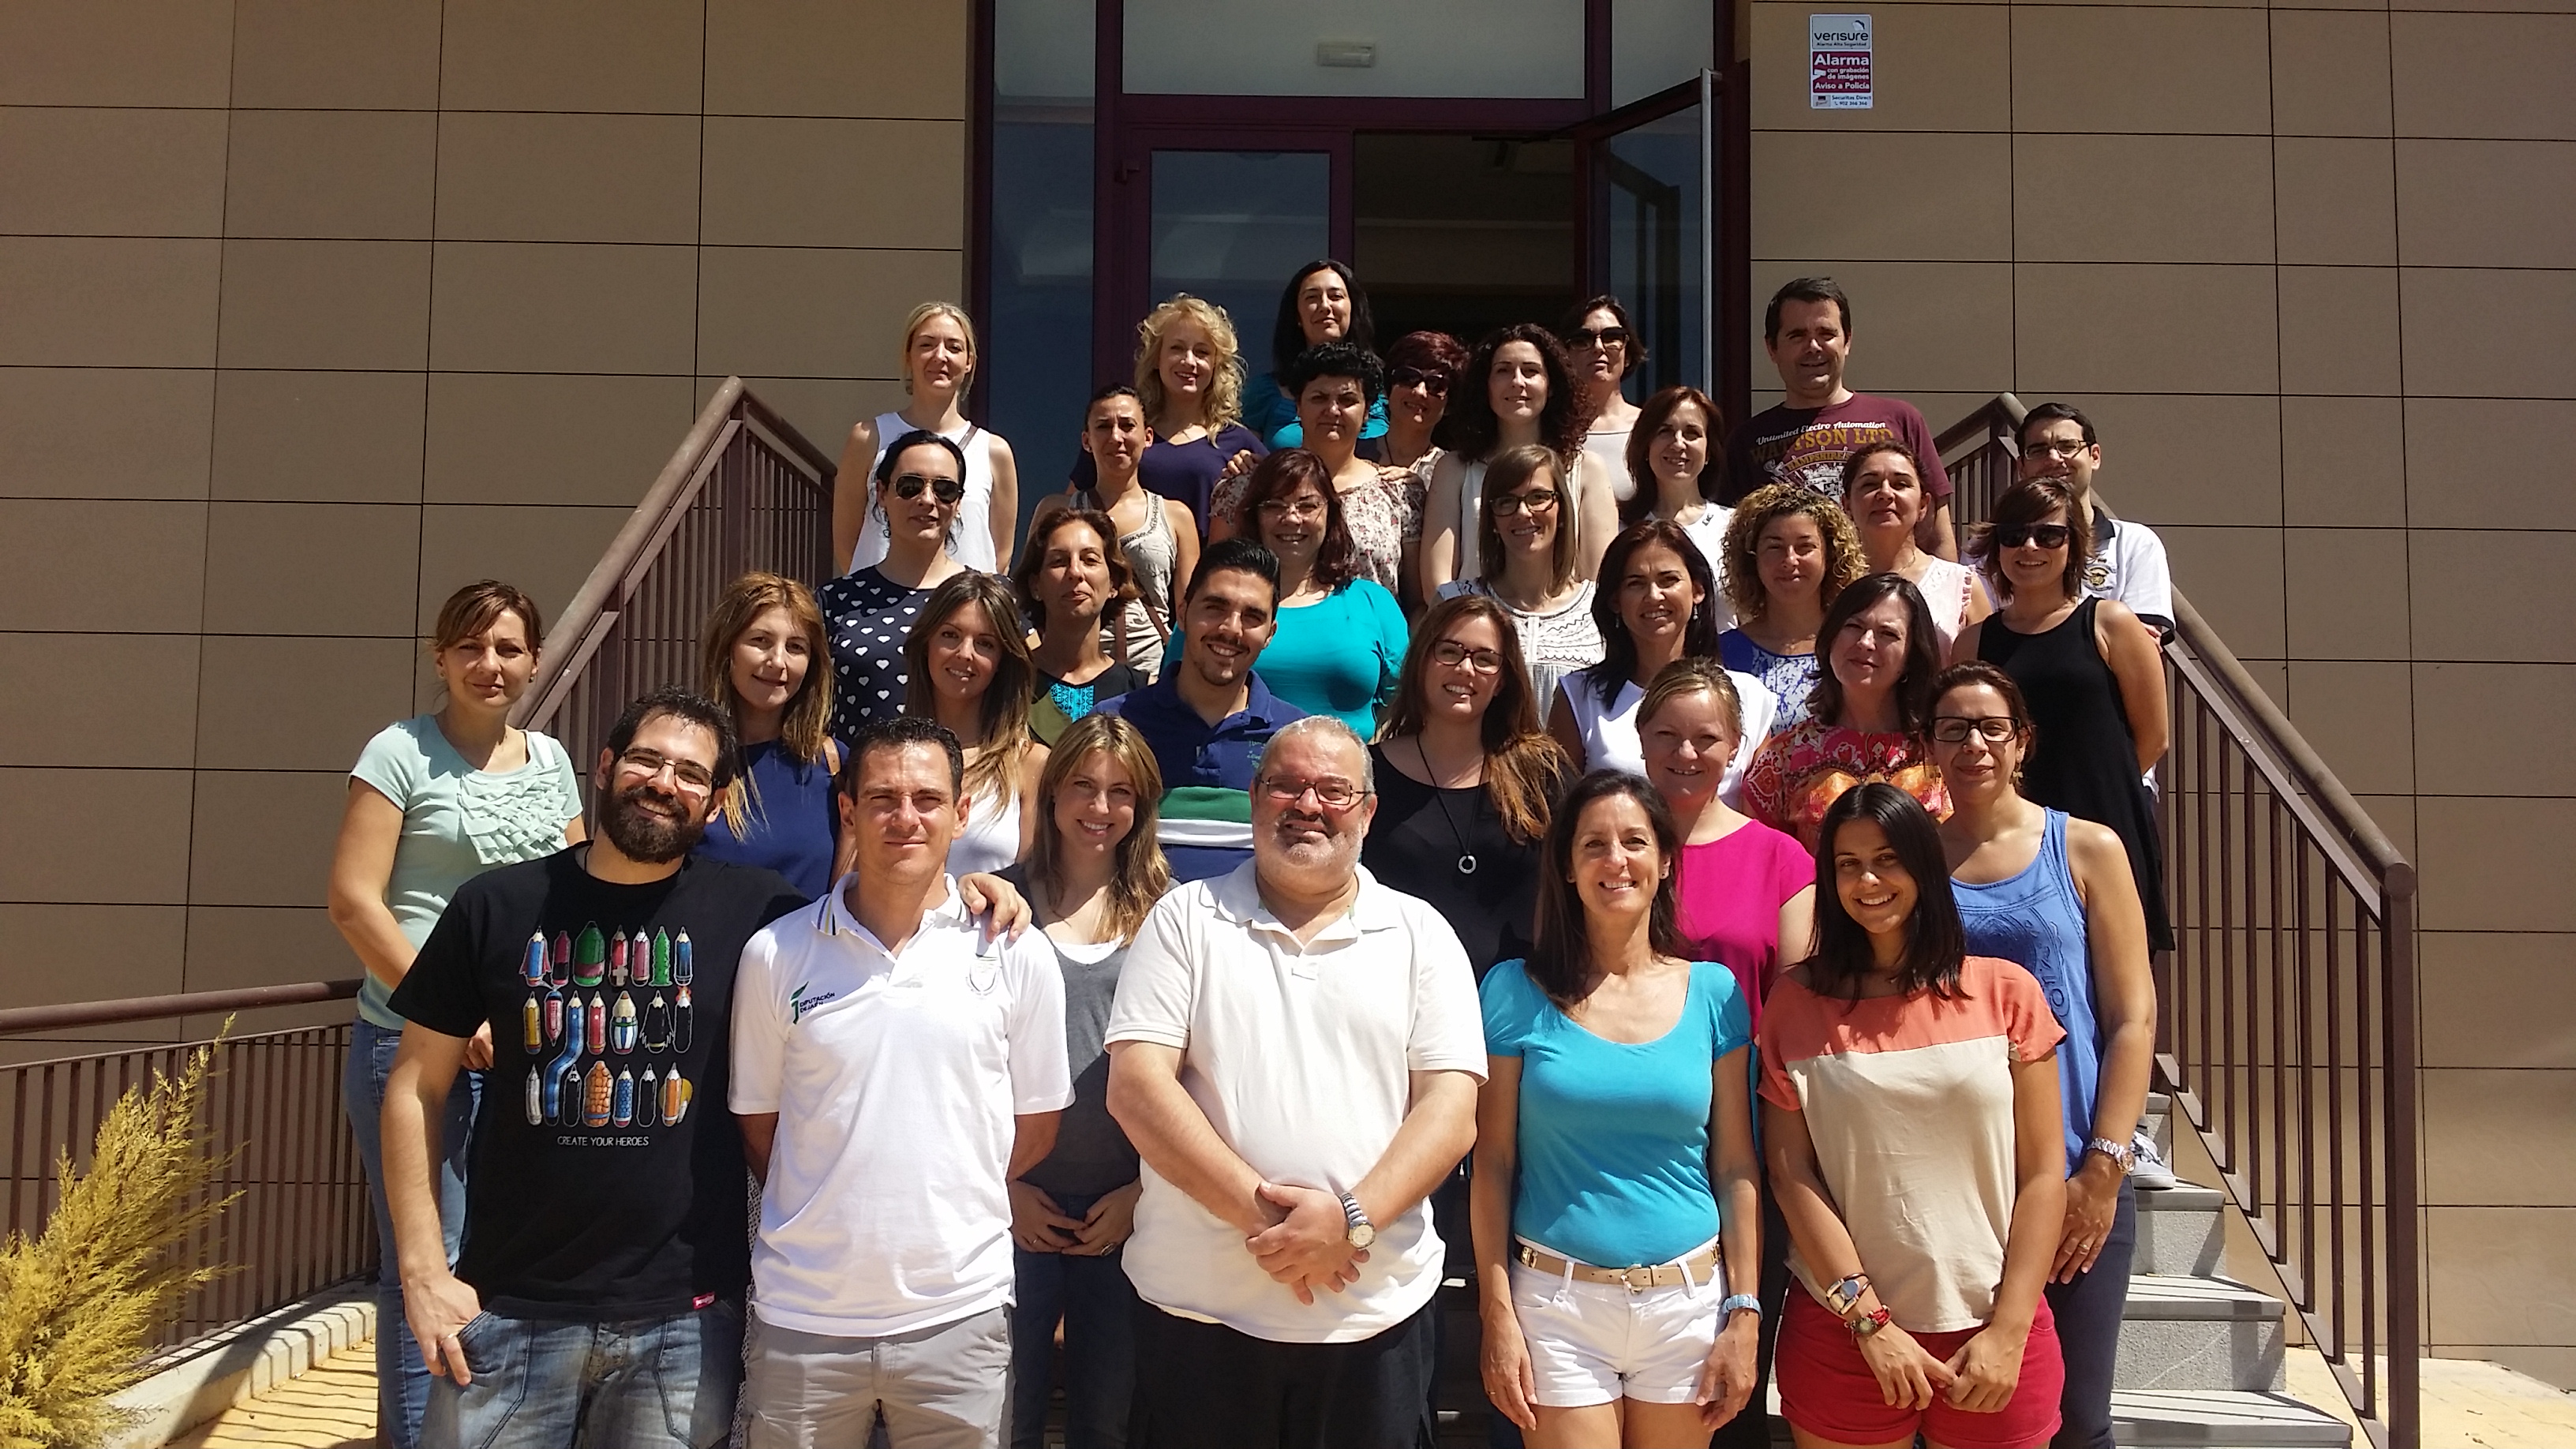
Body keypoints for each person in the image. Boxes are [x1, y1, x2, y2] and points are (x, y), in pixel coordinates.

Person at [381, 688, 808, 1449]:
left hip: (682, 1322)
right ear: (605, 768)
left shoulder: (761, 915)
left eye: (690, 773)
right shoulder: (496, 906)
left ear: (714, 803)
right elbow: (416, 1084)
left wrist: (978, 891)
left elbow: (878, 927)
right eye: (646, 760)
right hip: (507, 1310)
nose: (664, 783)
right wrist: (422, 1272)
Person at [1104, 716, 1486, 1448]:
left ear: (1368, 811)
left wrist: (1349, 1221)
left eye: (1334, 791)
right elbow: (1138, 1090)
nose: (1308, 805)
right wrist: (1272, 1221)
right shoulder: (1183, 919)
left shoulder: (1421, 934)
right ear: (1255, 799)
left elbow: (1451, 1111)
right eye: (1286, 786)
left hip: (1373, 1320)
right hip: (1198, 1318)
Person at [732, 715, 1072, 1449]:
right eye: (883, 798)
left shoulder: (1017, 952)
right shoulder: (775, 955)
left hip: (962, 1312)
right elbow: (761, 1127)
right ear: (848, 810)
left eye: (927, 799)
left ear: (962, 812)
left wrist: (949, 1190)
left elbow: (1036, 1127)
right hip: (805, 1317)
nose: (905, 818)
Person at [325, 579, 585, 1449]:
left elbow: (577, 895)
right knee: (425, 1263)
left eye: (508, 648)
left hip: (524, 1054)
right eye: (471, 647)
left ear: (535, 662)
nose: (489, 664)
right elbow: (355, 902)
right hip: (413, 1048)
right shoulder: (399, 752)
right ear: (440, 658)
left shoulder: (551, 761)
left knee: (504, 1255)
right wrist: (451, 1013)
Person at [1758, 784, 2070, 1449]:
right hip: (1845, 1331)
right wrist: (1870, 1324)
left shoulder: (2007, 992)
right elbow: (1790, 1174)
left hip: (1995, 1330)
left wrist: (2010, 1330)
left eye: (1888, 859)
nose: (1868, 881)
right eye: (1847, 864)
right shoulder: (1796, 1002)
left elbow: (2045, 1174)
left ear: (1924, 865)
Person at [1473, 771, 1762, 1447]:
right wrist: (1497, 1311)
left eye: (1634, 841)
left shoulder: (1715, 993)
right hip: (1557, 1305)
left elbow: (1736, 1165)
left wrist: (1744, 1312)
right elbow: (1492, 1163)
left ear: (1666, 862)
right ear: (1567, 868)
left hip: (1688, 1305)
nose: (1616, 860)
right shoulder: (1514, 991)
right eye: (1593, 845)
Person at [1929, 662, 2160, 1449]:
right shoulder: (1912, 861)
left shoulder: (2087, 848)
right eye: (1954, 728)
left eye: (1992, 727)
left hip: (2070, 1175)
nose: (1974, 744)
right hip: (1954, 1187)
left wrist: (2104, 1168)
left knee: (2075, 1421)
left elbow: (2132, 1018)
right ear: (1930, 746)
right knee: (1963, 1417)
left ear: (2022, 741)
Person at [1000, 714, 1168, 1449]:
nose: (1100, 808)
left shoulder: (1171, 913)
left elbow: (1196, 1074)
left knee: (1109, 1421)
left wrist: (1144, 1194)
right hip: (1015, 1206)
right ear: (1052, 793)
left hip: (1124, 1211)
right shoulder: (998, 904)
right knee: (1008, 1416)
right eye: (1083, 786)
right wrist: (1003, 1189)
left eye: (1120, 792)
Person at [1957, 478, 2174, 953]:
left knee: (2117, 977)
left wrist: (2096, 782)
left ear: (2073, 544)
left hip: (2106, 823)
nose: (2030, 547)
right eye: (2014, 535)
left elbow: (2154, 736)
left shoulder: (2111, 623)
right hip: (2013, 838)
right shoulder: (1973, 643)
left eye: (2048, 535)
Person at [1365, 593, 1574, 979]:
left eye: (1485, 659)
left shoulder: (1541, 772)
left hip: (1523, 998)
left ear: (1502, 680)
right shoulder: (1367, 773)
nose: (1465, 669)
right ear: (1421, 662)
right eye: (1449, 652)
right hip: (1400, 992)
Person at [1101, 537, 1309, 882]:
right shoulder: (1114, 726)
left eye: (1252, 617)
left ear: (1270, 634)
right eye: (1215, 607)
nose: (1231, 629)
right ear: (1182, 613)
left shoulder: (1298, 741)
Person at [1720, 277, 1954, 561]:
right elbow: (1736, 549)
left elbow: (1937, 536)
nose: (1813, 346)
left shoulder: (1901, 419)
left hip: (1886, 588)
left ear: (1847, 341)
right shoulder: (1747, 441)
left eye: (1826, 333)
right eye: (1797, 335)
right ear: (1772, 348)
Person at [1637, 660, 1815, 1024]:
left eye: (1706, 739)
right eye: (1667, 734)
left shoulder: (1782, 860)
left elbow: (1796, 1006)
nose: (1686, 753)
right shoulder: (1605, 849)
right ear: (1642, 737)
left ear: (1735, 746)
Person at [1550, 521, 1775, 806]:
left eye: (1668, 580)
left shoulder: (1749, 697)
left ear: (1697, 590)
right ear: (1615, 600)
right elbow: (1559, 812)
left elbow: (1765, 814)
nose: (1654, 596)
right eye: (1636, 583)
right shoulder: (1578, 696)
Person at [1199, 448, 1406, 737]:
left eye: (1307, 506)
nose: (1292, 519)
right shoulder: (1215, 601)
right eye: (1275, 506)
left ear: (1330, 514)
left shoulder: (1374, 602)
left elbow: (1402, 703)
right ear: (1255, 516)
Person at [1740, 574, 1950, 849]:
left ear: (1912, 655)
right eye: (1854, 626)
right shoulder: (1785, 757)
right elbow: (1761, 858)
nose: (1865, 642)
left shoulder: (1942, 751)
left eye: (1888, 634)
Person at [1422, 323, 1619, 595]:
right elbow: (1438, 586)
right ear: (1486, 386)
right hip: (1471, 618)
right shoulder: (1454, 469)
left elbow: (1598, 582)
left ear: (1551, 386)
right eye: (1503, 371)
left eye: (1531, 371)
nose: (1517, 382)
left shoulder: (1587, 469)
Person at [1215, 343, 1416, 600]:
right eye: (1319, 398)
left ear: (1367, 411)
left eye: (1347, 400)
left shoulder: (1399, 493)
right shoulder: (1246, 486)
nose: (1332, 410)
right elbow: (1215, 579)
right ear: (1298, 407)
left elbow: (1416, 601)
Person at [834, 301, 1020, 575]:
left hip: (967, 599)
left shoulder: (994, 451)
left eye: (954, 347)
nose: (940, 356)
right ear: (908, 356)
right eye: (927, 345)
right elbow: (846, 541)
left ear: (969, 362)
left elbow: (1000, 556)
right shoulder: (868, 438)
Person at [695, 572, 844, 900]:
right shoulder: (689, 761)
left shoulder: (836, 764)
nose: (778, 661)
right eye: (761, 641)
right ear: (728, 649)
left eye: (795, 647)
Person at [1037, 384, 1200, 679]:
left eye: (1127, 426)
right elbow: (1029, 595)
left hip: (1151, 675)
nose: (1116, 437)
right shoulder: (1056, 510)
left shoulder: (1176, 516)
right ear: (1086, 440)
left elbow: (1191, 613)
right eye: (1103, 426)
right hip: (1069, 672)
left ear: (1147, 437)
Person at [1434, 444, 1603, 726]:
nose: (1523, 512)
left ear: (1562, 509)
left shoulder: (1599, 608)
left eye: (1538, 497)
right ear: (1492, 520)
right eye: (1506, 502)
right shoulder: (1452, 602)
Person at [1071, 294, 1266, 530]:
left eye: (1202, 352)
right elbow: (1073, 509)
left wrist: (1252, 473)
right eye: (1177, 348)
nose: (1189, 361)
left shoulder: (1238, 442)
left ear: (1216, 364)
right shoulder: (1121, 432)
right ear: (1156, 358)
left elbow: (1280, 503)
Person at [823, 429, 971, 740]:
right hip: (854, 769)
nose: (927, 500)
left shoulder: (991, 598)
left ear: (958, 502)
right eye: (910, 487)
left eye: (944, 489)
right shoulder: (834, 600)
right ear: (881, 493)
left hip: (962, 769)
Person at [902, 571, 1048, 876]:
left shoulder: (1031, 763)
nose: (965, 653)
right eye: (950, 635)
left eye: (985, 643)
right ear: (926, 644)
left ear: (1001, 662)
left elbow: (1036, 884)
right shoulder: (887, 757)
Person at [1717, 484, 1866, 737]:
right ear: (1752, 559)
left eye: (1805, 547)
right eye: (1775, 547)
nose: (1790, 560)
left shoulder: (1857, 645)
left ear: (1829, 556)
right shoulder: (1722, 653)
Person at [2015, 402, 2173, 637]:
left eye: (2068, 447)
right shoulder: (1995, 546)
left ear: (2094, 457)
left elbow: (2142, 642)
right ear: (2021, 467)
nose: (2054, 458)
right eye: (2038, 450)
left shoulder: (2135, 544)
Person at [1017, 507, 1150, 743]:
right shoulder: (1009, 682)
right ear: (1036, 586)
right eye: (1059, 561)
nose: (1075, 572)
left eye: (1090, 560)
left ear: (1113, 583)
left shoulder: (1139, 692)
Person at [1845, 440, 1990, 651]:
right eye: (1870, 484)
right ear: (1846, 505)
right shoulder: (1830, 584)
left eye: (1900, 484)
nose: (1885, 493)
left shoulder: (1960, 586)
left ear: (1923, 505)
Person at [1241, 260, 1388, 449]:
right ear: (1297, 315)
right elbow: (1243, 454)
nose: (1325, 306)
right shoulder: (1264, 391)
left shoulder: (1386, 388)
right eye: (1312, 297)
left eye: (1335, 296)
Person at [1626, 384, 1735, 627]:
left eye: (1692, 433)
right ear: (1646, 446)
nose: (1678, 443)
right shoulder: (1621, 527)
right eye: (1665, 431)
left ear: (1709, 451)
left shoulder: (1736, 527)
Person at [1564, 297, 1647, 509]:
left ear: (1628, 354)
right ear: (1566, 355)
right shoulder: (1552, 430)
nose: (1598, 347)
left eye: (1612, 337)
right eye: (1583, 339)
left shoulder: (1652, 427)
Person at [1380, 328, 1467, 488]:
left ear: (1450, 404)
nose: (1419, 392)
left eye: (1436, 385)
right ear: (1388, 387)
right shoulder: (1351, 453)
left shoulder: (1456, 472)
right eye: (1408, 378)